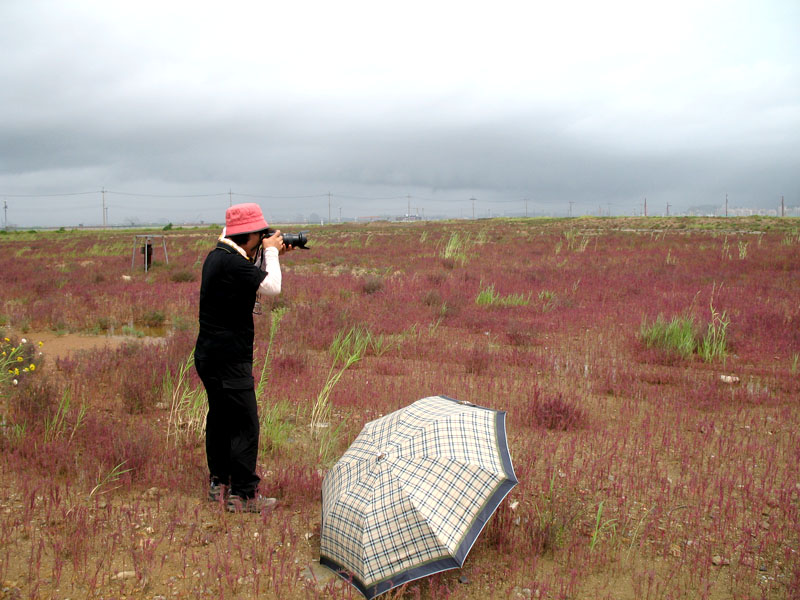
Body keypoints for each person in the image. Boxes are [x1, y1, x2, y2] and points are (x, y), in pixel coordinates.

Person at [194, 203, 289, 513]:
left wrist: (265, 254)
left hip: (208, 356)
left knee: (220, 419)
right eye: (259, 235)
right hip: (230, 359)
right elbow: (272, 288)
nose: (262, 238)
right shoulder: (233, 264)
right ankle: (245, 495)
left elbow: (248, 276)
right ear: (248, 235)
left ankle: (219, 484)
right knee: (245, 424)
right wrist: (272, 254)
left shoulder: (217, 257)